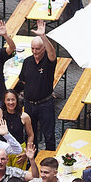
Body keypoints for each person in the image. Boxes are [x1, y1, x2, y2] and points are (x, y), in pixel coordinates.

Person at [12, 21, 58, 150]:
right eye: (32, 48)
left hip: (45, 104)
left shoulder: (48, 62)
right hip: (29, 104)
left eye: (38, 48)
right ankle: (32, 157)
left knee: (49, 135)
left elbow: (52, 54)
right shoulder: (27, 61)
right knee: (30, 134)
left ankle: (49, 160)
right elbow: (23, 80)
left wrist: (43, 36)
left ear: (43, 48)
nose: (35, 51)